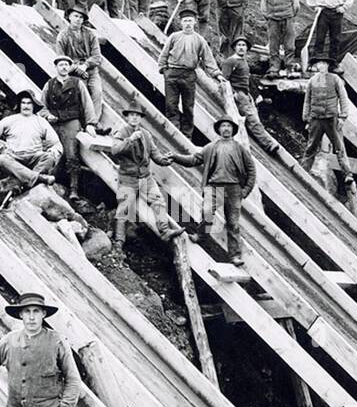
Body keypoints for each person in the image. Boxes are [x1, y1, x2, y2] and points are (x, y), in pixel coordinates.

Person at [167, 117, 255, 267]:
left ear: (233, 130)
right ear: (219, 129)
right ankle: (200, 235)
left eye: (229, 126)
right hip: (213, 187)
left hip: (234, 189)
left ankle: (234, 256)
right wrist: (175, 157)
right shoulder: (211, 147)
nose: (226, 129)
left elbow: (251, 170)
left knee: (233, 223)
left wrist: (245, 191)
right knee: (207, 212)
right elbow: (193, 160)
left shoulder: (240, 149)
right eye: (223, 126)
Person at [95, 104, 185, 252]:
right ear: (127, 117)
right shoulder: (121, 133)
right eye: (131, 115)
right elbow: (115, 150)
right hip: (128, 178)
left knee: (158, 201)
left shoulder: (146, 135)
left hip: (145, 177)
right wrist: (130, 140)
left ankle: (164, 231)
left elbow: (155, 154)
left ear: (141, 118)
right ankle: (119, 241)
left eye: (137, 115)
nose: (134, 118)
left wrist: (164, 160)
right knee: (124, 208)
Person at [155, 9, 220, 137]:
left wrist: (217, 74)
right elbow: (164, 54)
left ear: (195, 22)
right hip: (172, 74)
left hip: (189, 75)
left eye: (190, 20)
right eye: (185, 21)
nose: (188, 23)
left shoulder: (200, 40)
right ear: (181, 22)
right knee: (171, 105)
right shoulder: (174, 37)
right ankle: (173, 134)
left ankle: (186, 136)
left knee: (188, 107)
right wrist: (163, 69)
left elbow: (208, 60)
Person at [42, 55, 97, 198]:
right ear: (56, 67)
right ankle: (43, 180)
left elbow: (87, 104)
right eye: (61, 65)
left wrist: (90, 124)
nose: (64, 67)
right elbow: (42, 106)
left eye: (67, 64)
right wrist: (47, 115)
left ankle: (74, 189)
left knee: (72, 153)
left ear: (70, 67)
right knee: (49, 151)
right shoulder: (49, 84)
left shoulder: (77, 83)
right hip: (54, 123)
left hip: (71, 121)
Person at [0, 90, 63, 190]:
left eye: (29, 103)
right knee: (2, 159)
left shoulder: (41, 121)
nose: (26, 106)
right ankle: (37, 178)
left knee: (49, 157)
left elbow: (56, 143)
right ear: (19, 105)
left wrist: (53, 152)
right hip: (14, 157)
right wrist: (2, 147)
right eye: (23, 103)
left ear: (34, 105)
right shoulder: (10, 120)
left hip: (34, 157)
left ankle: (25, 181)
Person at [220, 37, 281, 154]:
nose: (241, 47)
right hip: (239, 94)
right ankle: (268, 144)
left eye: (244, 45)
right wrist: (233, 94)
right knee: (252, 120)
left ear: (247, 48)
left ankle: (265, 141)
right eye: (239, 45)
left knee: (255, 120)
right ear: (234, 48)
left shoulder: (243, 61)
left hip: (247, 95)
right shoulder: (230, 61)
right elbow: (224, 80)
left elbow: (247, 79)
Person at [301, 55, 353, 178]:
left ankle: (348, 174)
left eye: (324, 64)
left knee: (339, 147)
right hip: (316, 120)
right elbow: (307, 100)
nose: (322, 66)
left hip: (331, 119)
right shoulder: (312, 81)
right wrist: (306, 118)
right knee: (311, 147)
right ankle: (303, 173)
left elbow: (343, 98)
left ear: (328, 66)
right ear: (316, 66)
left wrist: (343, 117)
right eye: (319, 64)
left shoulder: (335, 79)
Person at [56, 7, 105, 120]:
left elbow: (97, 57)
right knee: (83, 94)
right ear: (69, 17)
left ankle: (94, 122)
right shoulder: (62, 36)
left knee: (97, 92)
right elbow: (61, 60)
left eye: (81, 17)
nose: (78, 19)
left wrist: (85, 65)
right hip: (74, 73)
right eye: (75, 16)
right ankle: (86, 122)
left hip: (91, 70)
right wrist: (77, 69)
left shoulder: (90, 34)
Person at [260, 0, 300, 75]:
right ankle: (274, 67)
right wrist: (267, 16)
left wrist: (291, 15)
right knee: (273, 44)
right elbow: (263, 3)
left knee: (290, 44)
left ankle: (289, 67)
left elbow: (295, 3)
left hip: (288, 18)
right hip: (273, 19)